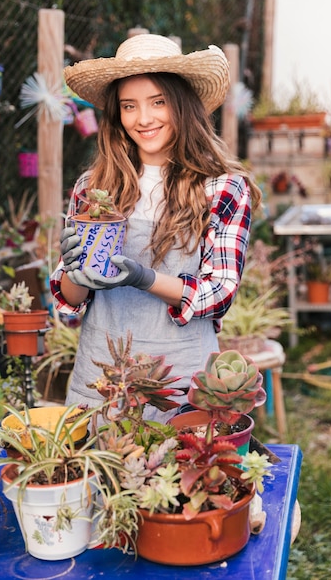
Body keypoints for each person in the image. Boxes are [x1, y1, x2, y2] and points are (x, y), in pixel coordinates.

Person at [51, 33, 261, 422]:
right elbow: (70, 298)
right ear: (117, 115)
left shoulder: (222, 188)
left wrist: (145, 279)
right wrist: (75, 269)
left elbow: (219, 293)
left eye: (158, 102)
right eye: (129, 106)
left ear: (182, 105)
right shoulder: (93, 187)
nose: (143, 119)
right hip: (100, 381)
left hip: (180, 387)